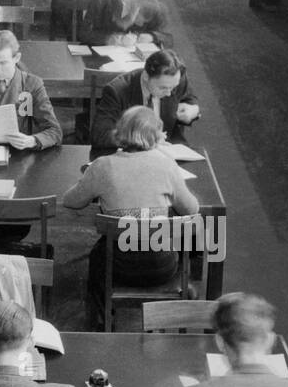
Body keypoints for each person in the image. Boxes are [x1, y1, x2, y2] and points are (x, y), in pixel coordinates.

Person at [64, 105, 201, 317]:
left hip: (118, 266)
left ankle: (100, 318)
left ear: (120, 132)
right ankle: (185, 300)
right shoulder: (166, 164)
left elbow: (71, 201)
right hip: (163, 265)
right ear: (155, 136)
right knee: (194, 241)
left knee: (97, 255)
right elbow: (192, 209)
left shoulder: (102, 166)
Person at [88, 49, 201, 157]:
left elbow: (189, 99)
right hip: (131, 156)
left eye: (173, 88)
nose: (169, 94)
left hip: (170, 151)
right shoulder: (117, 91)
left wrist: (193, 110)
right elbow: (100, 135)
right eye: (163, 88)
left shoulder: (176, 80)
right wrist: (146, 138)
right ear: (146, 76)